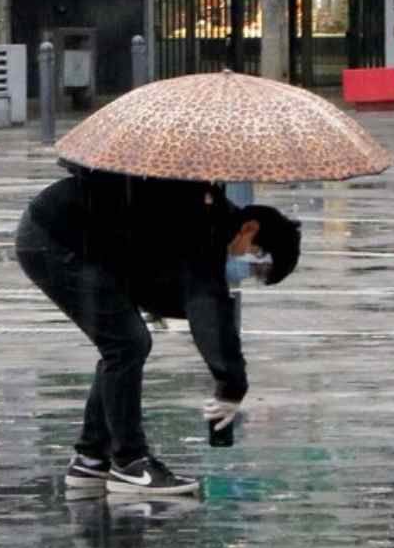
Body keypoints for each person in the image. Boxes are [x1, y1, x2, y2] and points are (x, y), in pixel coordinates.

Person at [15, 164, 302, 497]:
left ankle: (92, 458)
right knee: (126, 345)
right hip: (54, 237)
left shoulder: (207, 211)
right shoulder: (209, 223)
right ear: (250, 226)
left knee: (124, 345)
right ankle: (129, 463)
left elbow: (185, 287)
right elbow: (207, 305)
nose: (248, 261)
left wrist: (229, 380)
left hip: (69, 237)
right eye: (257, 254)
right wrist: (231, 384)